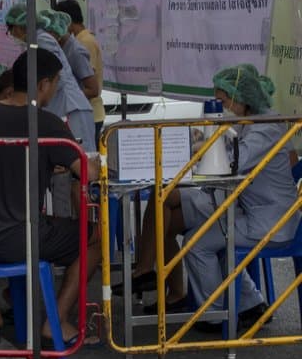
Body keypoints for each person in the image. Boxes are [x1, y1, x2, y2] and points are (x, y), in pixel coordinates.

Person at [114, 65, 299, 330]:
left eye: (222, 101)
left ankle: (214, 315)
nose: (219, 106)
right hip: (240, 205)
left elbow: (234, 162)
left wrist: (203, 147)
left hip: (269, 221)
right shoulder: (251, 121)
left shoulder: (264, 127)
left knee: (196, 242)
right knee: (169, 205)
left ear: (240, 98)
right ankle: (248, 304)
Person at [0, 48, 101, 347]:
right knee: (94, 238)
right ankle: (56, 321)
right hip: (21, 238)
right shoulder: (46, 123)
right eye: (56, 82)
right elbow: (89, 172)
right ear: (43, 84)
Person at [5, 3, 96, 153]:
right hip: (62, 107)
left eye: (11, 29)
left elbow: (54, 76)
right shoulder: (35, 42)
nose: (12, 34)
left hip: (70, 108)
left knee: (81, 155)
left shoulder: (42, 40)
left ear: (20, 26)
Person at [55, 0, 105, 146]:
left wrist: (65, 96)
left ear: (67, 21)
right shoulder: (77, 40)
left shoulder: (83, 43)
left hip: (90, 113)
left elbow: (92, 86)